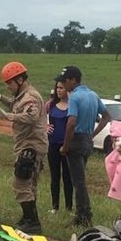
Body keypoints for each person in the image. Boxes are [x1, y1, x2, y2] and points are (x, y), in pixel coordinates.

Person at [0, 61, 48, 234]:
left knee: (21, 182)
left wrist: (8, 116)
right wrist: (0, 98)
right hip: (27, 143)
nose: (8, 86)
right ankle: (28, 218)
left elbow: (30, 117)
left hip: (31, 144)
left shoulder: (31, 97)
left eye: (9, 83)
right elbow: (16, 105)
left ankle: (32, 222)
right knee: (29, 184)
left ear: (20, 80)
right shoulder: (23, 96)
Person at [57, 65, 110, 227]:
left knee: (78, 182)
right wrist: (92, 135)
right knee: (80, 179)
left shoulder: (74, 97)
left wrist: (65, 146)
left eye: (65, 81)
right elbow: (106, 116)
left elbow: (71, 123)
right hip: (87, 140)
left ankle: (83, 216)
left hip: (76, 140)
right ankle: (83, 213)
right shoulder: (93, 95)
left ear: (74, 80)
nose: (63, 84)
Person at [45, 82, 73, 214]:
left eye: (62, 88)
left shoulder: (73, 106)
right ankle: (54, 206)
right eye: (57, 88)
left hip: (67, 146)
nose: (59, 90)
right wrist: (45, 127)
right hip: (53, 144)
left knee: (68, 177)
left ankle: (69, 207)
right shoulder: (50, 105)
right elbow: (39, 118)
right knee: (54, 176)